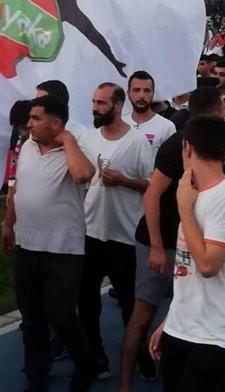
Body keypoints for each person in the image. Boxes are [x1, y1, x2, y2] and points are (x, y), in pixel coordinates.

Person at [148, 115, 225, 392]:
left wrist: (184, 208)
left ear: (186, 148)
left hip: (217, 337)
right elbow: (186, 271)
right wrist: (170, 321)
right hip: (182, 329)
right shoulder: (193, 192)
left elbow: (208, 266)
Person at [1, 95, 97, 392]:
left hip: (62, 249)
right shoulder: (26, 147)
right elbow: (17, 188)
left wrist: (67, 140)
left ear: (55, 124)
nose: (29, 124)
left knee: (60, 314)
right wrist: (7, 223)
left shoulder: (73, 149)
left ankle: (86, 364)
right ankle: (37, 377)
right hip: (27, 245)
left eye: (36, 118)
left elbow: (84, 174)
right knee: (31, 318)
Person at [77, 83, 153, 380]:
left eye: (101, 103)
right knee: (86, 299)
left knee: (130, 302)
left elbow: (151, 184)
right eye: (94, 102)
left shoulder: (137, 141)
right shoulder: (88, 138)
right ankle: (97, 356)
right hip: (90, 231)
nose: (95, 108)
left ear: (118, 106)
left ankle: (139, 351)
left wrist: (124, 181)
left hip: (125, 235)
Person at [125, 71, 176, 152]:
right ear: (128, 94)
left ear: (153, 94)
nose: (141, 95)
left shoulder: (167, 127)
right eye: (136, 90)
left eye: (147, 90)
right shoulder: (119, 124)